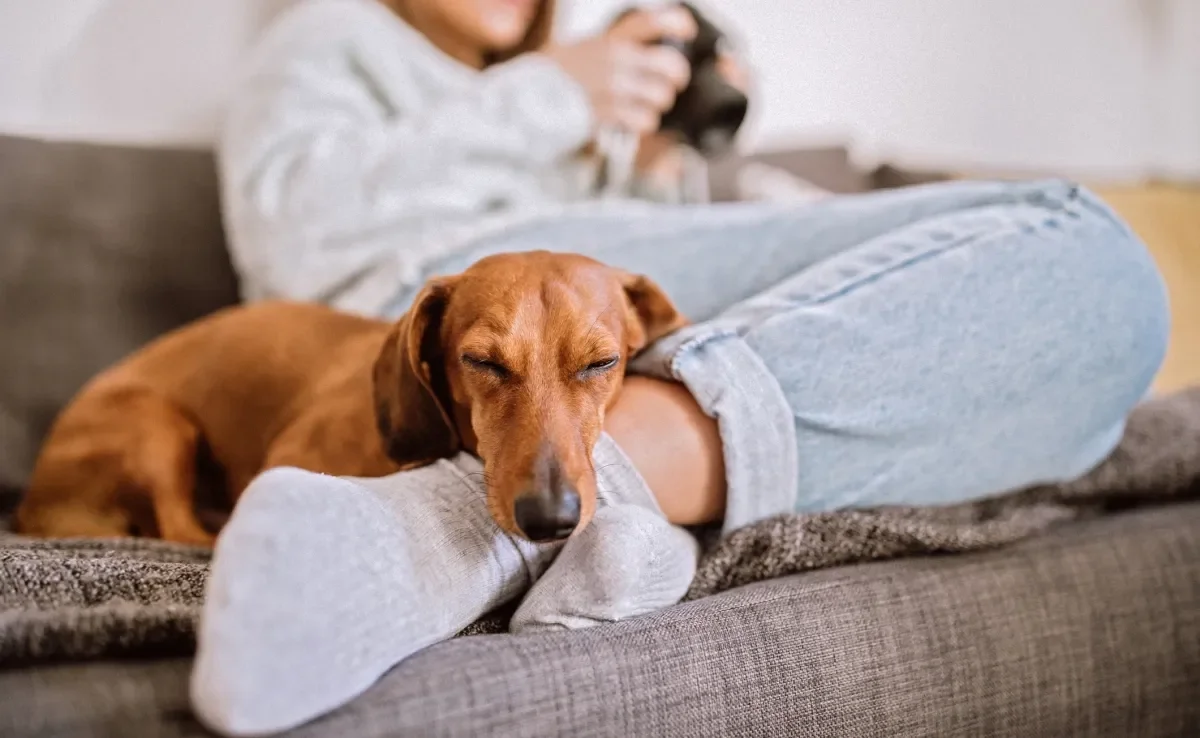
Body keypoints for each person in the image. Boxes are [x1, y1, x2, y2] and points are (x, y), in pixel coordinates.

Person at [216, 0, 1169, 537]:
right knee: (1083, 246)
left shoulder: (560, 82)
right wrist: (552, 95)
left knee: (1093, 306)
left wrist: (662, 163)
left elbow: (649, 317)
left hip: (588, 301)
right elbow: (292, 238)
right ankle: (522, 521)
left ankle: (604, 497)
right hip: (429, 303)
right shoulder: (328, 37)